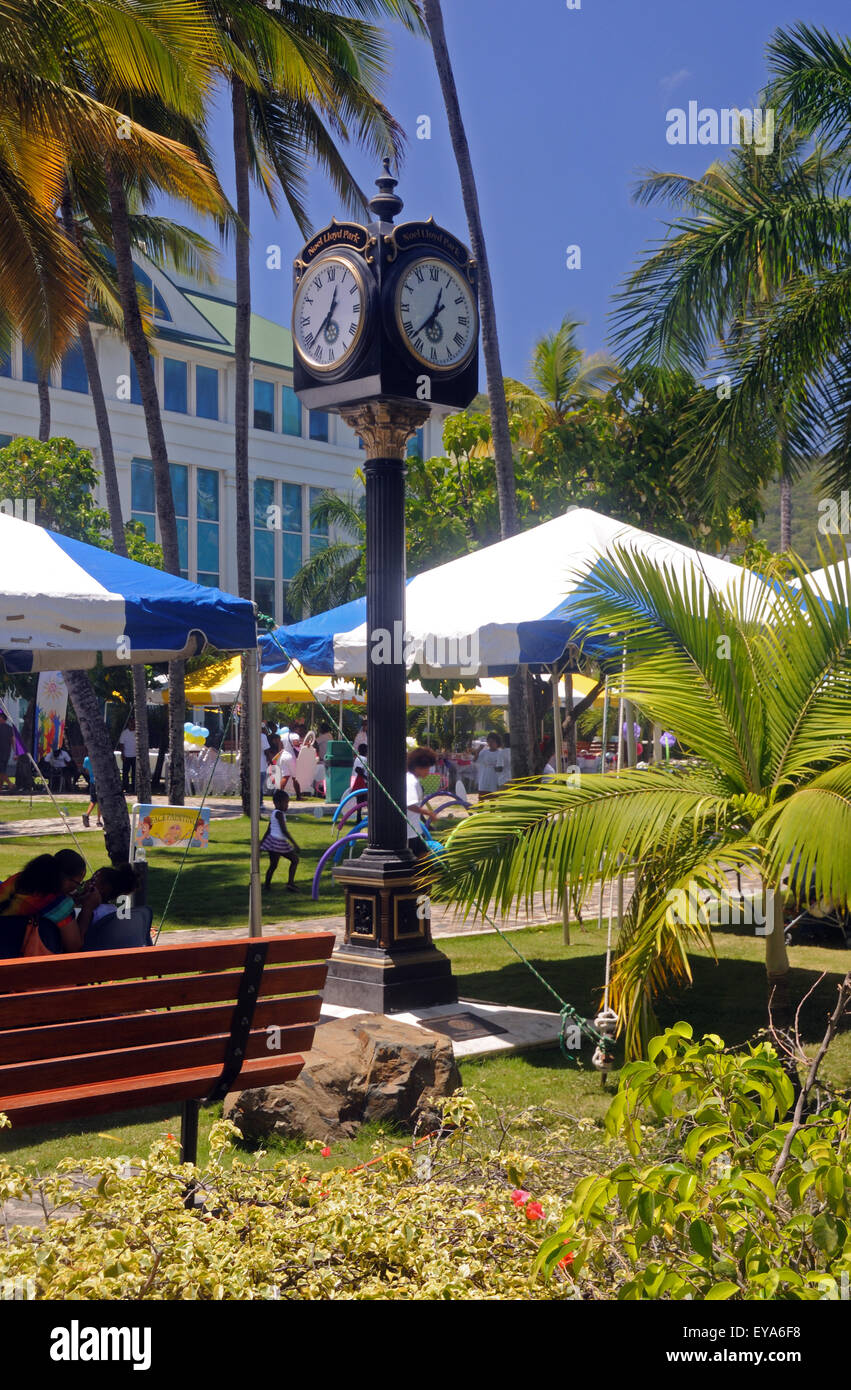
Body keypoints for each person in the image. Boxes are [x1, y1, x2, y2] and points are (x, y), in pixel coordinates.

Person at [0, 849, 86, 955]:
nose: (77, 888)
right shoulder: (57, 903)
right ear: (67, 880)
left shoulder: (17, 879)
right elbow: (74, 947)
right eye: (78, 883)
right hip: (22, 961)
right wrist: (88, 908)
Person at [260, 788, 300, 891]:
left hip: (272, 842)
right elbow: (284, 830)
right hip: (278, 843)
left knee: (273, 865)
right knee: (295, 860)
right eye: (285, 803)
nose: (287, 805)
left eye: (288, 803)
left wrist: (262, 843)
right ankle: (290, 883)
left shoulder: (274, 813)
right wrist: (294, 843)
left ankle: (267, 886)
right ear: (277, 803)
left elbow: (268, 830)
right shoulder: (279, 814)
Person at [406, 747, 439, 857]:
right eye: (427, 768)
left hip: (414, 831)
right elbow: (410, 805)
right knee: (421, 865)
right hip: (408, 833)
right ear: (417, 768)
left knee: (424, 863)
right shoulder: (411, 782)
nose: (429, 772)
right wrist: (429, 813)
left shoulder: (412, 779)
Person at [474, 731, 504, 799]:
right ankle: (480, 809)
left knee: (492, 798)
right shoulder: (484, 752)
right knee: (481, 797)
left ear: (497, 742)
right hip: (484, 777)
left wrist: (495, 767)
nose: (490, 743)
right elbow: (475, 760)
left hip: (494, 778)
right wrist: (478, 750)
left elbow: (501, 767)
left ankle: (492, 810)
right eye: (489, 741)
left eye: (493, 742)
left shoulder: (500, 753)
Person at [81, 753, 102, 828]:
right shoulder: (100, 758)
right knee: (99, 801)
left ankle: (87, 814)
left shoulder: (86, 759)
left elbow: (86, 770)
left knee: (93, 800)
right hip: (100, 781)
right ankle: (98, 820)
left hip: (92, 781)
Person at [350, 742, 368, 824]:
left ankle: (359, 817)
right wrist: (366, 778)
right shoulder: (363, 759)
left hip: (358, 782)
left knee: (360, 801)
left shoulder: (357, 758)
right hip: (362, 782)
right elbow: (358, 769)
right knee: (367, 800)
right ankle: (361, 817)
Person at [118, 717, 136, 793]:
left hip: (135, 756)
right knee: (125, 773)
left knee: (134, 773)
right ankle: (126, 786)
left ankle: (134, 787)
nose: (132, 724)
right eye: (131, 722)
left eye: (133, 722)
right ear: (128, 723)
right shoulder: (124, 733)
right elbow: (121, 744)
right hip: (127, 756)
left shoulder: (137, 732)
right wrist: (123, 754)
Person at [0, 710, 13, 792]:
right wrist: (15, 753)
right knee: (2, 770)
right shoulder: (10, 728)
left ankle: (10, 784)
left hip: (2, 753)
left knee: (1, 771)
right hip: (7, 753)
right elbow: (13, 741)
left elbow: (13, 740)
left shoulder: (7, 728)